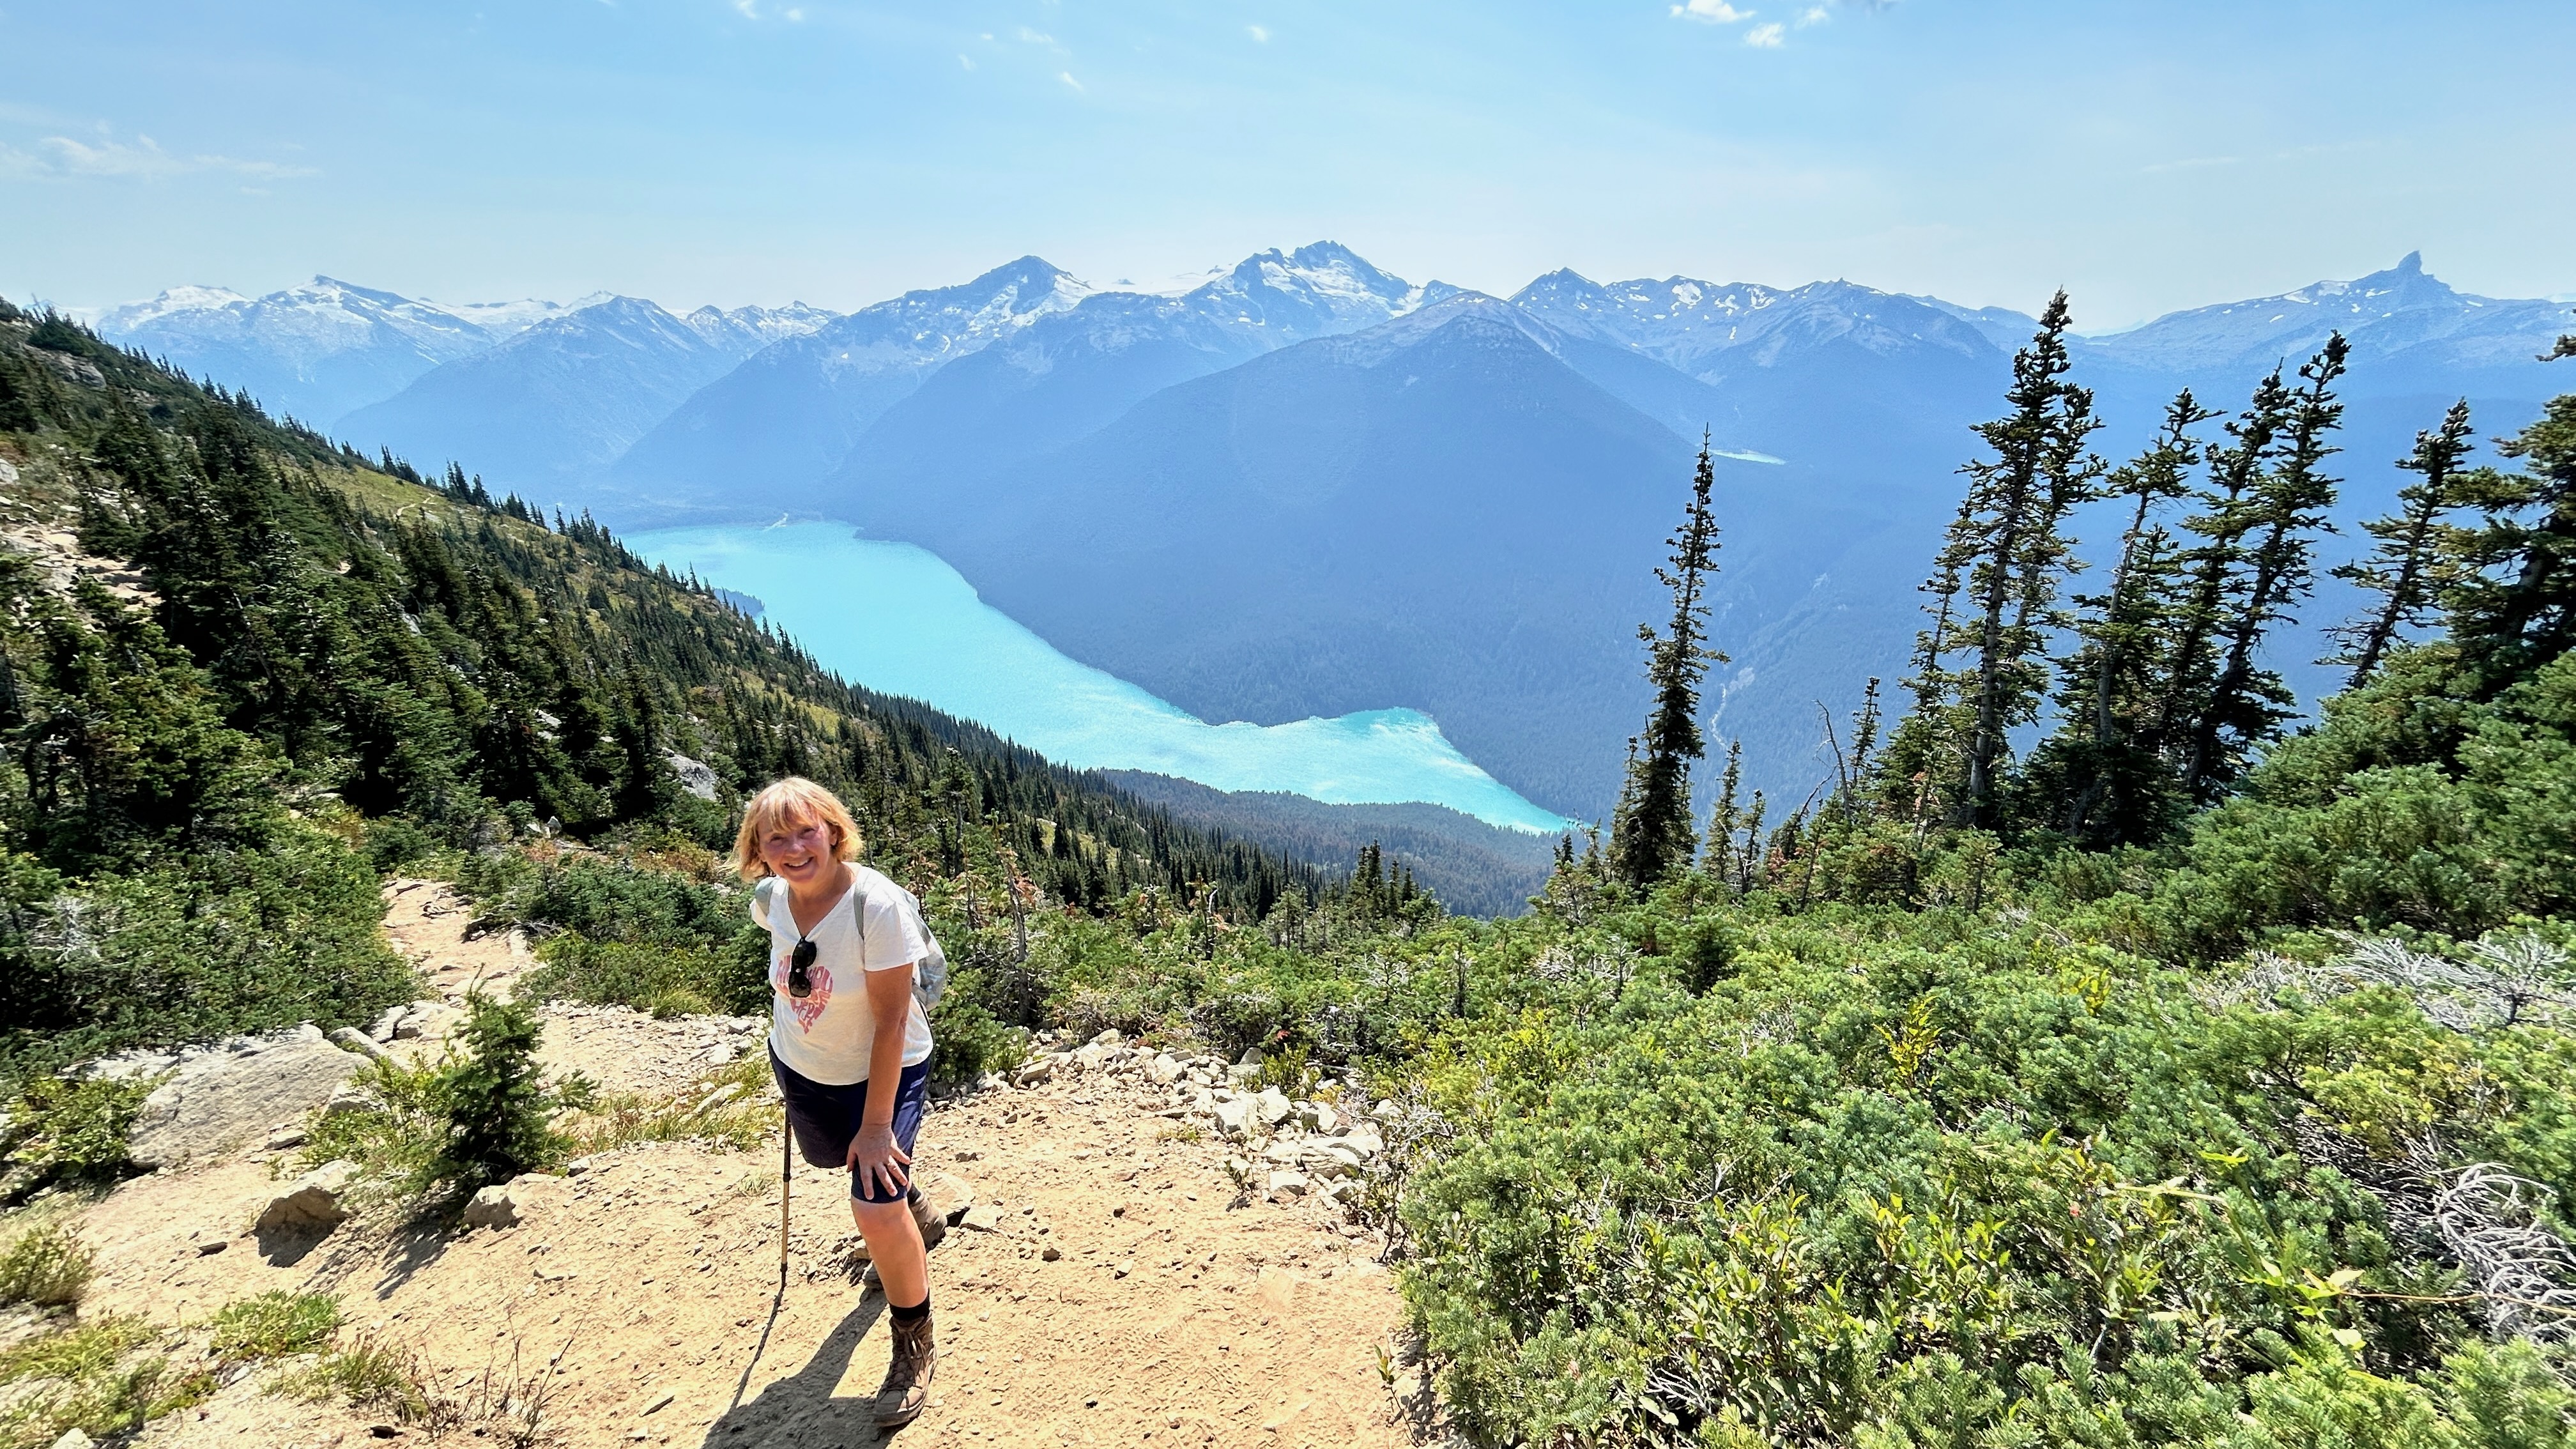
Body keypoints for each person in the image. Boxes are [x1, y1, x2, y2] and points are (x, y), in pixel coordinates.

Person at [735, 776, 942, 1427]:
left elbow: (889, 1022)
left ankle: (914, 1344)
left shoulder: (875, 907)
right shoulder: (771, 900)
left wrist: (879, 1126)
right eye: (777, 838)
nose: (796, 847)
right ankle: (920, 1216)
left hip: (886, 1067)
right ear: (759, 851)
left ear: (833, 831)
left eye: (807, 830)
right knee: (837, 1161)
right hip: (804, 1065)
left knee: (871, 1202)